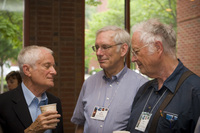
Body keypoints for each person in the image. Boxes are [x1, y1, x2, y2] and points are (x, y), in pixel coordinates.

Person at [126, 19, 200, 133]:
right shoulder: (144, 90)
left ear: (158, 48)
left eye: (136, 51)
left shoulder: (195, 91)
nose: (133, 59)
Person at [71, 26, 148, 133]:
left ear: (123, 50)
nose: (98, 53)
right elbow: (80, 124)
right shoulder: (89, 83)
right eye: (97, 47)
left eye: (105, 47)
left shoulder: (141, 85)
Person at [0, 45, 63, 133]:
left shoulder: (54, 101)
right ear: (27, 70)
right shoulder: (3, 103)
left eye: (53, 66)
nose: (54, 72)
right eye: (47, 66)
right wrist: (32, 131)